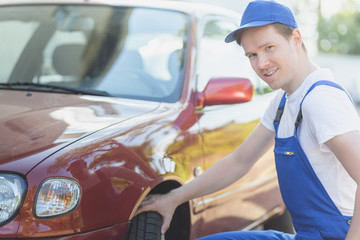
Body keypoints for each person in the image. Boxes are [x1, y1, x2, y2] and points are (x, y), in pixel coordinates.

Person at [135, 0, 360, 239]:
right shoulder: (284, 101)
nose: (261, 63)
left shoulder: (321, 99)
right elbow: (239, 161)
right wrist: (174, 198)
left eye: (269, 48)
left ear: (296, 39)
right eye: (252, 54)